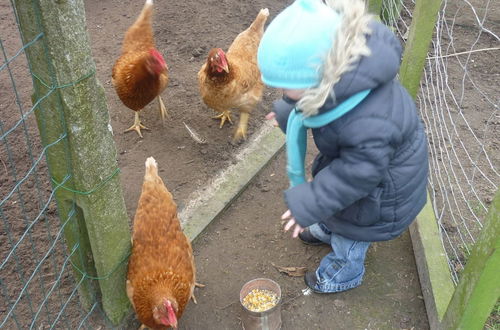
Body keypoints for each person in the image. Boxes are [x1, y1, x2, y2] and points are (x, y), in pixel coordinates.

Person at [257, 0, 429, 293]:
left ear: (319, 77)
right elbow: (314, 103)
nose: (283, 93)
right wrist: (289, 111)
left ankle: (343, 273)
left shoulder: (371, 123)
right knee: (338, 208)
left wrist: (309, 203)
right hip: (363, 174)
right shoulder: (341, 79)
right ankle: (330, 225)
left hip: (380, 195)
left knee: (352, 234)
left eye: (287, 88)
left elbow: (355, 177)